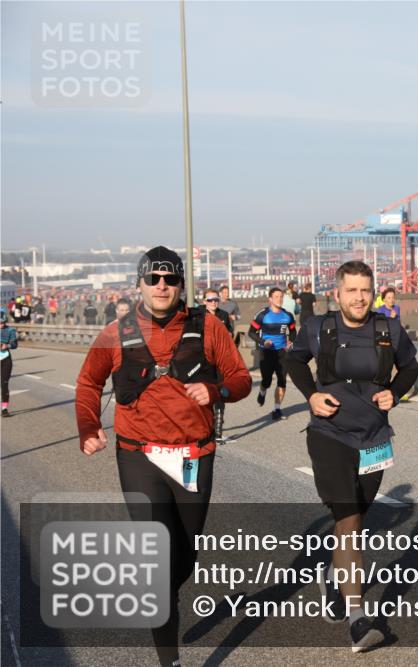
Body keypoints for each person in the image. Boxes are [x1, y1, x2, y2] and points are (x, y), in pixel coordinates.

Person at [75, 246, 251, 666]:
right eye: (153, 278)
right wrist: (88, 426)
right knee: (157, 562)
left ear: (181, 286)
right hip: (139, 456)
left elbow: (241, 378)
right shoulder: (115, 333)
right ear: (138, 284)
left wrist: (217, 390)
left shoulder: (209, 327)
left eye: (170, 279)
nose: (161, 286)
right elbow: (87, 385)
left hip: (194, 455)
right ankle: (168, 658)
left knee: (184, 556)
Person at [285, 260, 418, 652]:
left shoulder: (388, 328)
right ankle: (359, 617)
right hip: (329, 434)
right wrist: (310, 394)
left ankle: (334, 572)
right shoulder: (319, 327)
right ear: (338, 293)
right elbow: (294, 361)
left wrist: (394, 391)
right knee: (351, 520)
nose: (359, 297)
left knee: (357, 516)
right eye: (352, 290)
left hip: (374, 435)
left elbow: (410, 367)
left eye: (366, 290)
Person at [249, 287, 296, 420]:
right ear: (270, 299)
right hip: (266, 352)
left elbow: (292, 331)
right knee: (267, 380)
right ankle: (263, 390)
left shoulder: (287, 315)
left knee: (282, 381)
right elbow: (251, 332)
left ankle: (277, 409)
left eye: (281, 297)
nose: (279, 299)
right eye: (276, 297)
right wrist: (263, 341)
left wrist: (290, 341)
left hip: (282, 352)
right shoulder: (262, 315)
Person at [204, 288, 235, 444]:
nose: (214, 302)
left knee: (221, 392)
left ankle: (218, 430)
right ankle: (206, 425)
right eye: (210, 300)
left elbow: (230, 333)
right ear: (204, 302)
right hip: (204, 361)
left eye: (215, 299)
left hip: (221, 360)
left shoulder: (223, 315)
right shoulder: (199, 316)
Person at [1, 308, 17, 417]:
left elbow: (15, 345)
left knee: (4, 384)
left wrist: (8, 345)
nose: (0, 325)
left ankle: (4, 409)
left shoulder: (10, 331)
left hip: (6, 359)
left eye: (2, 322)